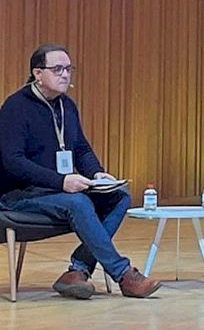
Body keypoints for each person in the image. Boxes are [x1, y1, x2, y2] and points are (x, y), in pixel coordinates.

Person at [0, 44, 160, 299]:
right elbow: (13, 161)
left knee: (120, 196)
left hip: (57, 192)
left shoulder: (67, 106)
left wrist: (97, 174)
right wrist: (62, 181)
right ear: (38, 73)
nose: (65, 74)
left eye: (68, 69)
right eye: (57, 69)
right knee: (78, 203)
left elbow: (81, 149)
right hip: (20, 195)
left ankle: (78, 270)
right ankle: (124, 275)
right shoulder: (16, 107)